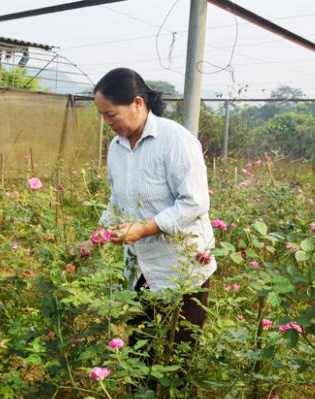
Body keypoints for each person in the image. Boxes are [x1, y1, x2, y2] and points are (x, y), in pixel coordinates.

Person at [93, 68, 216, 354]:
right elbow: (118, 199)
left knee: (181, 352)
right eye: (102, 115)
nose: (107, 121)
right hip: (140, 266)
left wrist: (145, 228)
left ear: (137, 103)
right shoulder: (117, 146)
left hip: (181, 265)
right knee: (139, 351)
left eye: (111, 114)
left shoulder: (175, 140)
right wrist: (97, 236)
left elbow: (194, 202)